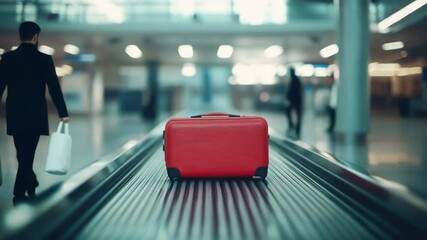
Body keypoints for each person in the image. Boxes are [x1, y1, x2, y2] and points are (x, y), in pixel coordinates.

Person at [0, 21, 69, 204]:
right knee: (27, 152)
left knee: (21, 151)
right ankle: (21, 190)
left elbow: (0, 86)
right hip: (35, 114)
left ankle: (28, 183)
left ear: (20, 35)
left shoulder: (8, 58)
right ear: (36, 36)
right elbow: (54, 88)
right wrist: (63, 112)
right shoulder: (44, 59)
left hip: (14, 113)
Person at [285, 67, 303, 137]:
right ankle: (292, 125)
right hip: (295, 101)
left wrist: (289, 99)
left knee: (298, 115)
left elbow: (293, 92)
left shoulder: (295, 80)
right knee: (294, 114)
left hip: (295, 101)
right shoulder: (294, 79)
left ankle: (296, 128)